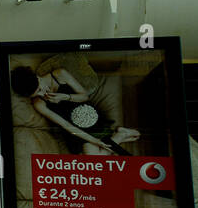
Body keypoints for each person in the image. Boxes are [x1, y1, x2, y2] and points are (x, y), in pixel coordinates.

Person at [9, 64, 139, 155]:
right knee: (94, 159)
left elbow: (84, 96)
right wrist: (95, 141)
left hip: (88, 116)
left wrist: (65, 97)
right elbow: (65, 125)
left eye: (39, 89)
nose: (42, 94)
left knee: (96, 155)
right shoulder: (39, 104)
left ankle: (120, 134)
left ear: (37, 77)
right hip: (75, 131)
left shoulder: (60, 74)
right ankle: (120, 135)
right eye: (36, 94)